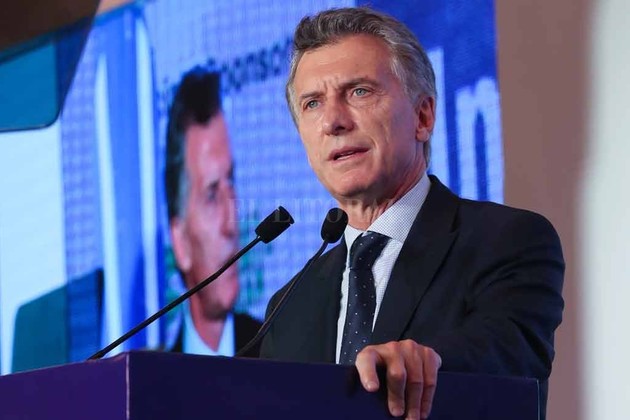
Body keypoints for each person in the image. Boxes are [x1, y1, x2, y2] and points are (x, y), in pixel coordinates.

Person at [259, 7, 564, 420]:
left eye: (359, 92)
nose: (332, 121)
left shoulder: (507, 241)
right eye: (312, 103)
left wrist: (427, 362)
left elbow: (509, 356)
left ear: (423, 116)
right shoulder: (289, 306)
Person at [165, 68, 261, 357]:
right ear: (180, 243)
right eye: (211, 195)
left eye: (230, 181)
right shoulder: (156, 381)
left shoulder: (279, 356)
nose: (231, 222)